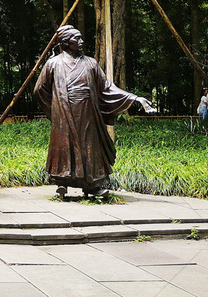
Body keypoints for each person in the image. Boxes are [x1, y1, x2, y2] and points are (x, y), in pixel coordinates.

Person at [33, 26, 155, 199]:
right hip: (63, 113)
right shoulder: (53, 63)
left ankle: (92, 186)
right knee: (64, 148)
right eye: (78, 39)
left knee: (90, 147)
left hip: (88, 113)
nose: (82, 42)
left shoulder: (90, 63)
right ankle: (62, 183)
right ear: (67, 42)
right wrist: (55, 110)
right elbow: (39, 90)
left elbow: (106, 87)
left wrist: (134, 98)